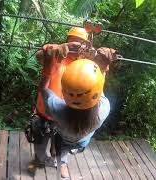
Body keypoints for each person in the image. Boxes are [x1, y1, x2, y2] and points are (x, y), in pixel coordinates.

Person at [29, 27, 118, 178]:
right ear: (67, 40)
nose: (77, 45)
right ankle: (38, 160)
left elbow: (44, 88)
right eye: (73, 41)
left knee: (61, 146)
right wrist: (58, 49)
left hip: (60, 111)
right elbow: (39, 56)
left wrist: (96, 59)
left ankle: (60, 163)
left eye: (81, 43)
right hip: (47, 112)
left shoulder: (87, 65)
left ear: (86, 46)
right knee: (41, 141)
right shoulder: (59, 54)